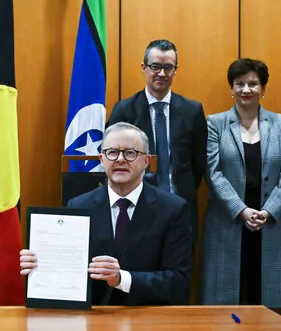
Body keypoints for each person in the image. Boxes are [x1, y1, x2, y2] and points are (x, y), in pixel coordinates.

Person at [20, 122, 193, 305]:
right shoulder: (78, 207)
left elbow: (178, 282)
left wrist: (121, 279)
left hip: (147, 315)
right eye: (112, 152)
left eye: (130, 153)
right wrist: (40, 266)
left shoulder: (173, 209)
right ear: (102, 160)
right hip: (93, 317)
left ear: (146, 162)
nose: (120, 159)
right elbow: (69, 271)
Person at [201, 58, 281, 308]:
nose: (246, 90)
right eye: (240, 84)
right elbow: (212, 173)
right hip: (228, 221)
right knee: (227, 300)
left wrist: (267, 211)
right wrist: (242, 211)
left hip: (270, 222)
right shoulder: (215, 123)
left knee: (267, 297)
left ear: (263, 89)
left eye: (253, 84)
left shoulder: (280, 123)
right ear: (231, 88)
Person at [107, 39, 206, 246]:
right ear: (144, 68)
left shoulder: (192, 111)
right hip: (137, 209)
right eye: (155, 67)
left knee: (178, 273)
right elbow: (111, 158)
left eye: (168, 67)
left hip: (180, 208)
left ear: (175, 71)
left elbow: (198, 163)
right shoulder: (124, 110)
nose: (161, 73)